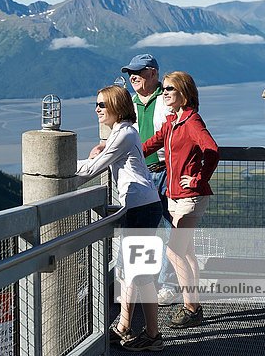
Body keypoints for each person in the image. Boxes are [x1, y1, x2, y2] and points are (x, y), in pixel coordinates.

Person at [75, 85, 164, 352]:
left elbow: (92, 169)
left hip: (141, 209)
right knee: (132, 273)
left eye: (102, 104)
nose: (97, 109)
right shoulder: (122, 132)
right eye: (97, 104)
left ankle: (153, 335)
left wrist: (57, 169)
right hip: (141, 207)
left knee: (141, 275)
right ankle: (126, 327)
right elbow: (100, 159)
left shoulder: (124, 134)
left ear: (115, 106)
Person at [141, 71, 220, 328]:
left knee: (174, 250)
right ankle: (193, 304)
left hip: (190, 197)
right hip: (175, 196)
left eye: (169, 89)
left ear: (183, 93)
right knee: (186, 251)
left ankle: (191, 308)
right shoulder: (173, 122)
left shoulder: (192, 121)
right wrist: (115, 149)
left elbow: (212, 150)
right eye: (163, 88)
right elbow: (150, 145)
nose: (164, 93)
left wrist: (197, 179)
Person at [121, 54, 180, 306]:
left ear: (153, 73)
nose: (132, 77)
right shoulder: (130, 103)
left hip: (165, 171)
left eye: (138, 72)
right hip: (142, 174)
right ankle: (143, 283)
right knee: (145, 231)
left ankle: (168, 284)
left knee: (168, 229)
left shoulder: (167, 98)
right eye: (130, 73)